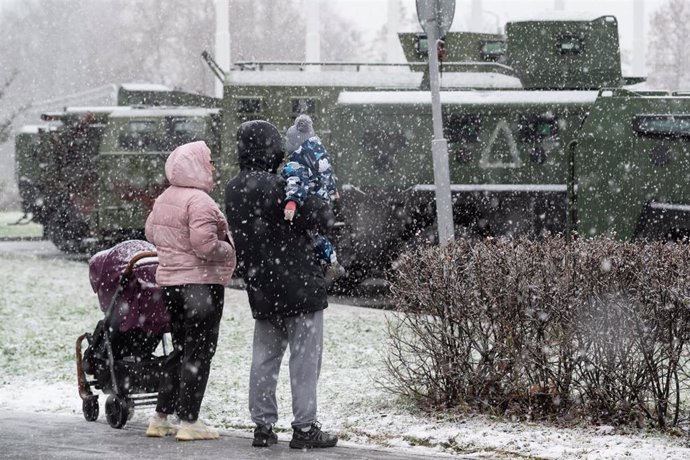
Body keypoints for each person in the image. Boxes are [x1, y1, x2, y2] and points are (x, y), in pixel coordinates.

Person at [224, 120, 338, 449]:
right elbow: (319, 215)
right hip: (299, 285)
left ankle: (262, 427)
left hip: (261, 285)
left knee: (264, 359)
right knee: (304, 360)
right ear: (271, 149)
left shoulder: (234, 187)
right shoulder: (279, 186)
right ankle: (304, 429)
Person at [144, 140, 236, 441]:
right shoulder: (201, 202)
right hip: (200, 286)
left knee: (181, 350)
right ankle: (189, 421)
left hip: (170, 284)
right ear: (194, 165)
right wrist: (229, 248)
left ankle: (160, 417)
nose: (212, 167)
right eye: (208, 161)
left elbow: (150, 232)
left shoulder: (165, 198)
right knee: (199, 352)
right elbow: (205, 246)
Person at [282, 114, 339, 269]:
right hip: (322, 203)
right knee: (317, 234)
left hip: (308, 205)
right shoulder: (320, 155)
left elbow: (297, 181)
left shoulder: (296, 162)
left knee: (309, 234)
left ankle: (329, 262)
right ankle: (330, 261)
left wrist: (292, 202)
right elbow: (328, 176)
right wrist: (333, 192)